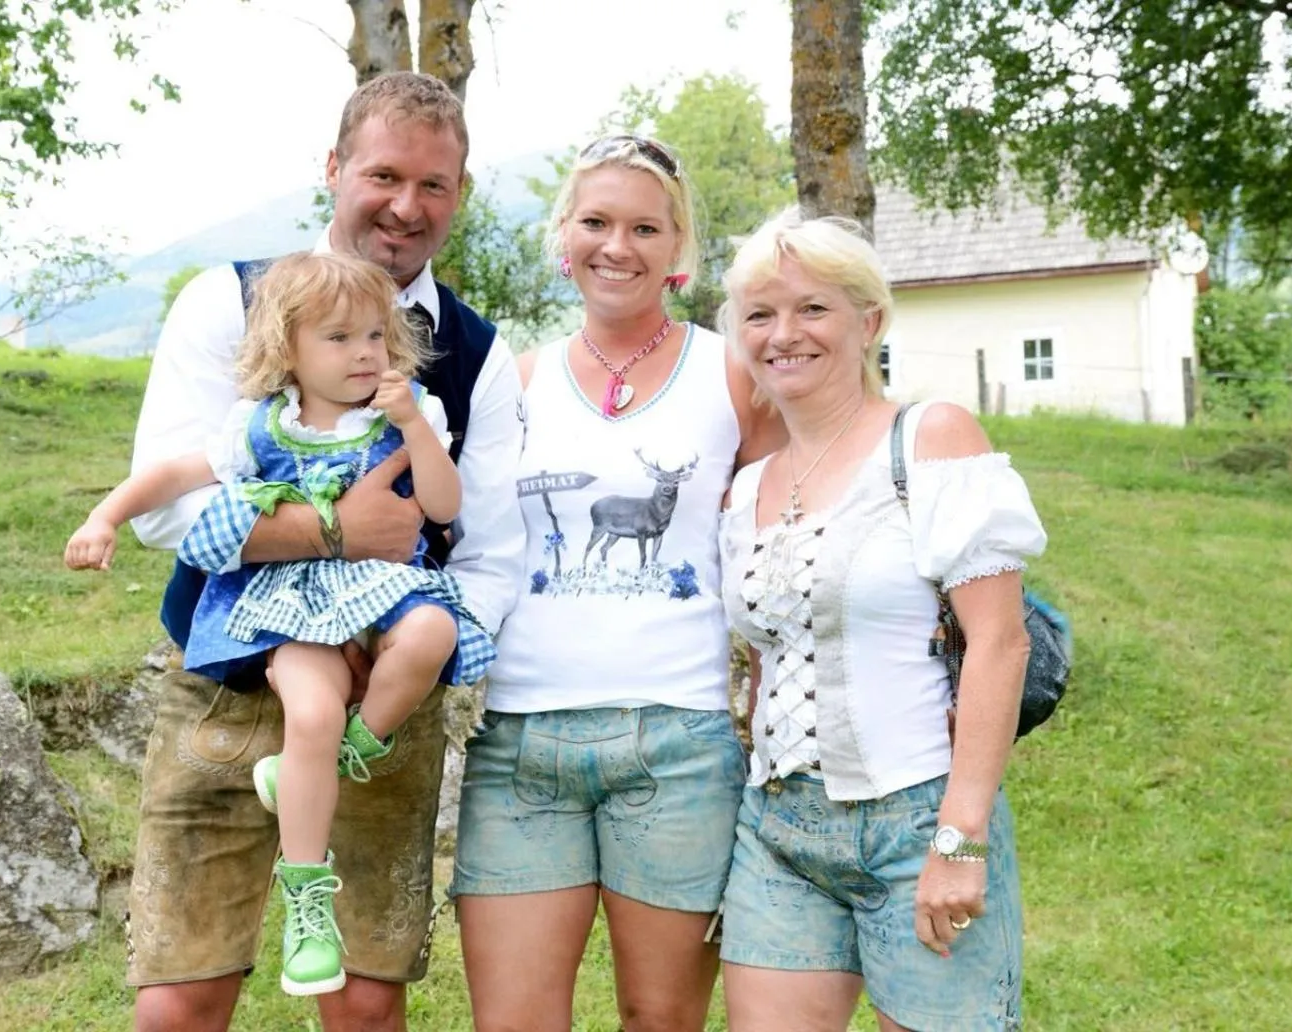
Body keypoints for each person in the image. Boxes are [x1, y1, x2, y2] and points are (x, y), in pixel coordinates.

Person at [122, 72, 524, 1032]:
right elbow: (166, 510)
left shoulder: (476, 352)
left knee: (365, 1000)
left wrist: (393, 646)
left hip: (383, 698)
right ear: (335, 168)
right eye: (383, 174)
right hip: (229, 677)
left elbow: (492, 553)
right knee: (180, 997)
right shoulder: (228, 302)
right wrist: (337, 534)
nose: (405, 205)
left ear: (458, 195)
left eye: (434, 185)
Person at [65, 251, 496, 998]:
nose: (363, 352)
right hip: (291, 603)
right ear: (286, 350)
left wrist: (413, 428)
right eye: (338, 339)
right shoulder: (259, 426)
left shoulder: (408, 413)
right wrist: (105, 516)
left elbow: (444, 503)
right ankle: (306, 898)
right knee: (313, 709)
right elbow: (172, 477)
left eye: (373, 335)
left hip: (383, 592)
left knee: (434, 635)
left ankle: (333, 761)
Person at [449, 135, 784, 1032]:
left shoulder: (732, 372)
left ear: (678, 247)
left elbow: (791, 535)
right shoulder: (513, 383)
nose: (616, 246)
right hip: (521, 743)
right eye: (595, 222)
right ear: (564, 235)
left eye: (645, 227)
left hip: (676, 740)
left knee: (661, 1018)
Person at [712, 207, 1048, 1032]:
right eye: (759, 314)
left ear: (869, 321)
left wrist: (958, 840)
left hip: (915, 818)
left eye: (812, 308)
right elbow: (764, 657)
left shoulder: (929, 440)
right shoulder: (748, 486)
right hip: (778, 829)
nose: (783, 333)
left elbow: (1000, 643)